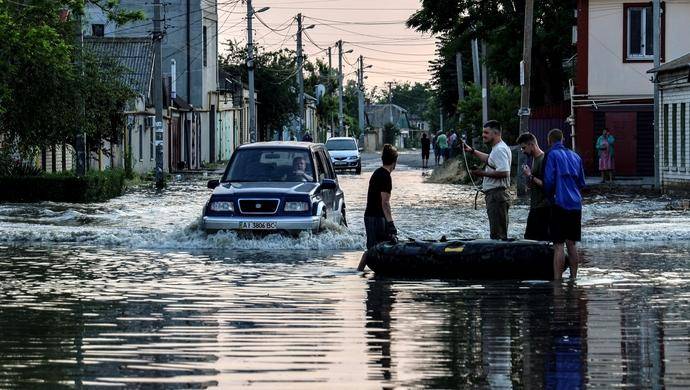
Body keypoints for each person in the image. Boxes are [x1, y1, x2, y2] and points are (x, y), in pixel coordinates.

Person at [543, 128, 585, 280]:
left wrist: (549, 197)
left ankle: (557, 281)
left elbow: (549, 181)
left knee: (559, 245)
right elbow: (582, 182)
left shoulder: (551, 155)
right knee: (572, 244)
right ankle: (573, 278)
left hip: (559, 203)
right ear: (563, 140)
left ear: (549, 141)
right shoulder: (576, 156)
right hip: (576, 204)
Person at [463, 120, 512, 240]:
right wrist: (472, 151)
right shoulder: (497, 148)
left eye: (486, 132)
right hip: (496, 196)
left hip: (497, 196)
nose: (483, 135)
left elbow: (505, 172)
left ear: (495, 133)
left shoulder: (499, 149)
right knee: (497, 233)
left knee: (498, 236)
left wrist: (481, 173)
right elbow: (490, 159)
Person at [357, 144, 399, 271]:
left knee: (375, 248)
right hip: (376, 218)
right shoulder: (386, 176)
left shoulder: (377, 172)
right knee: (375, 249)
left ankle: (362, 272)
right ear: (394, 162)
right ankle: (359, 272)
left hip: (371, 216)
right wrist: (391, 223)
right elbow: (385, 203)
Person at [517, 132, 550, 241]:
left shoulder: (544, 159)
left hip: (543, 207)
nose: (523, 151)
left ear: (531, 144)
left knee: (538, 239)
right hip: (535, 205)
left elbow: (546, 185)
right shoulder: (534, 159)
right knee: (529, 238)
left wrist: (530, 176)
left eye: (523, 148)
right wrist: (530, 184)